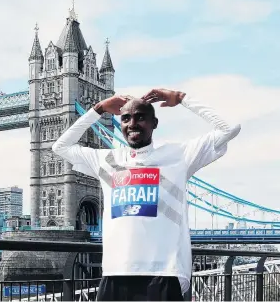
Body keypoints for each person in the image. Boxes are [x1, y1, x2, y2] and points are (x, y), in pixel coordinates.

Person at [52, 88, 241, 301]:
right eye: (126, 118)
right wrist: (99, 109)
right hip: (115, 272)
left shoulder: (179, 155)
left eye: (140, 117)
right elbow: (61, 146)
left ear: (155, 123)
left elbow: (230, 128)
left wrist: (181, 98)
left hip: (163, 273)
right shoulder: (108, 160)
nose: (132, 123)